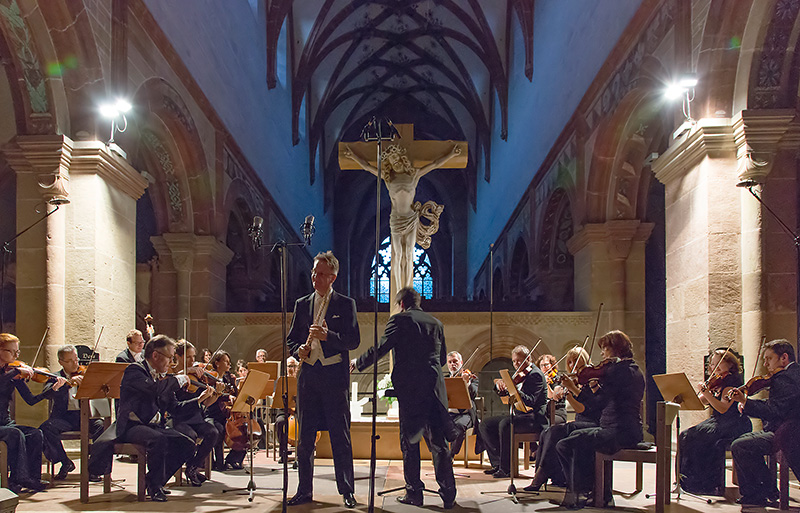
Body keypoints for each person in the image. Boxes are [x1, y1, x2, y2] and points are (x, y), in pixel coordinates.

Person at [352, 287, 457, 508]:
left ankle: (414, 493)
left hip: (411, 391)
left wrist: (358, 363)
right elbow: (443, 359)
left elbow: (381, 348)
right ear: (419, 302)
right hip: (434, 390)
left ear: (400, 304)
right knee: (439, 443)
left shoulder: (399, 321)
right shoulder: (436, 324)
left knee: (410, 442)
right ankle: (449, 494)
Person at [286, 251, 360, 509]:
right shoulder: (301, 304)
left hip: (333, 377)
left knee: (341, 437)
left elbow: (353, 340)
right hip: (309, 376)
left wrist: (329, 337)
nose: (315, 278)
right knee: (304, 438)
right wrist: (298, 351)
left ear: (333, 277)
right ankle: (304, 490)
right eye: (314, 273)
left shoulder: (345, 303)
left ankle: (347, 490)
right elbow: (291, 339)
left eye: (321, 274)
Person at [342, 143, 460, 299]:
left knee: (408, 255)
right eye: (392, 161)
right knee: (397, 255)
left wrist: (452, 154)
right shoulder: (388, 178)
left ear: (402, 159)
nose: (395, 163)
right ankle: (399, 291)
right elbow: (366, 166)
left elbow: (434, 164)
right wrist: (353, 157)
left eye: (397, 159)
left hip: (411, 218)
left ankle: (408, 289)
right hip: (396, 220)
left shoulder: (414, 176)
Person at [91, 334, 196, 502]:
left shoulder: (162, 377)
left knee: (187, 444)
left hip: (152, 427)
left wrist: (200, 401)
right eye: (169, 357)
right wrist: (178, 380)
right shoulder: (135, 370)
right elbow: (153, 390)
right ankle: (155, 487)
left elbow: (175, 408)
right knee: (158, 439)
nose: (172, 363)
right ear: (155, 355)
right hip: (131, 426)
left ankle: (155, 481)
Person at [555, 330, 645, 509]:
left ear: (616, 349)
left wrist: (575, 388)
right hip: (624, 429)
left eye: (605, 349)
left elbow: (597, 405)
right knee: (574, 441)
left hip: (619, 432)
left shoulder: (618, 373)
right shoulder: (632, 369)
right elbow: (610, 399)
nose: (602, 354)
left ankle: (585, 493)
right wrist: (596, 387)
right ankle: (596, 493)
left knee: (566, 445)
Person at [729, 339, 800, 507]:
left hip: (786, 433)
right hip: (787, 429)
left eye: (769, 358)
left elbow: (775, 410)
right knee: (745, 440)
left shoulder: (785, 378)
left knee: (740, 445)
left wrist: (746, 402)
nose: (766, 364)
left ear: (784, 358)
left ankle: (758, 493)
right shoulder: (794, 374)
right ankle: (767, 489)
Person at [525, 346, 601, 491]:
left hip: (592, 422)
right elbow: (575, 405)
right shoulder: (576, 381)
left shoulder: (591, 381)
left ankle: (540, 478)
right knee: (545, 433)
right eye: (570, 362)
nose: (573, 365)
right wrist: (567, 393)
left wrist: (571, 389)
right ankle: (545, 475)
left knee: (554, 431)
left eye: (576, 361)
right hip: (581, 420)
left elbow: (583, 409)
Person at [678, 347, 751, 495]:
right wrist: (686, 396)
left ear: (729, 364)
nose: (713, 368)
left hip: (734, 422)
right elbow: (700, 403)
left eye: (717, 364)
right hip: (719, 421)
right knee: (685, 435)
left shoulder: (732, 381)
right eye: (711, 365)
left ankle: (705, 483)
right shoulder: (717, 383)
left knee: (699, 437)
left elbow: (723, 408)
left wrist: (706, 393)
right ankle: (688, 480)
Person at [0, 333, 67, 493]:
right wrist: (14, 372)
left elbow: (30, 400)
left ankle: (32, 478)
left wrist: (51, 390)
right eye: (12, 352)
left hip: (5, 423)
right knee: (15, 434)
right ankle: (19, 478)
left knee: (35, 433)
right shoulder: (12, 373)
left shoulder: (14, 374)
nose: (16, 356)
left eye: (18, 352)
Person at [479, 345, 548, 479]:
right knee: (486, 424)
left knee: (505, 424)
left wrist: (513, 389)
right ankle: (498, 463)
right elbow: (507, 396)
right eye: (514, 361)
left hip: (534, 419)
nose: (516, 364)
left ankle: (506, 469)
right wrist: (500, 386)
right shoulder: (519, 375)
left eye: (519, 360)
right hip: (520, 416)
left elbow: (531, 401)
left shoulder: (536, 375)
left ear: (529, 359)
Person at [39, 345, 104, 481]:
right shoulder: (55, 377)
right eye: (70, 361)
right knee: (45, 428)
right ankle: (65, 462)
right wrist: (67, 384)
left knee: (102, 426)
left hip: (85, 415)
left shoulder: (85, 374)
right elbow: (47, 393)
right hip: (65, 418)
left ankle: (93, 469)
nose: (76, 363)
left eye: (76, 359)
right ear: (61, 362)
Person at [166, 340, 220, 486]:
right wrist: (186, 371)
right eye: (189, 357)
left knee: (213, 432)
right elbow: (171, 383)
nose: (193, 361)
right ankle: (184, 469)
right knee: (190, 435)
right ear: (178, 356)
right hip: (178, 418)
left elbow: (202, 404)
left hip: (194, 417)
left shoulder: (195, 376)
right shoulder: (171, 372)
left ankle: (192, 466)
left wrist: (211, 398)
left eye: (193, 357)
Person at [203, 350, 240, 470]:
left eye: (229, 362)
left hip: (227, 414)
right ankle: (217, 462)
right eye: (225, 361)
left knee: (245, 428)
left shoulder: (228, 378)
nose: (229, 364)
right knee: (219, 429)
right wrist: (226, 396)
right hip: (212, 414)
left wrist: (234, 385)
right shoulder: (210, 378)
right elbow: (214, 394)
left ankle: (232, 459)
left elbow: (235, 394)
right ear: (217, 363)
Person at [445, 351, 479, 457]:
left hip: (465, 414)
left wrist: (466, 382)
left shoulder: (471, 377)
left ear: (461, 362)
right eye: (450, 362)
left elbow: (473, 394)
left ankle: (451, 455)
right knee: (431, 424)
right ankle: (441, 453)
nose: (452, 364)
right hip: (448, 414)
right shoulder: (444, 379)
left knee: (459, 426)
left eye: (455, 361)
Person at [274, 356, 299, 464]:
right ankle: (283, 452)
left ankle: (302, 453)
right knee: (280, 422)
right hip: (284, 411)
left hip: (299, 411)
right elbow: (276, 396)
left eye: (294, 366)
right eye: (289, 366)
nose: (292, 368)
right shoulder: (281, 381)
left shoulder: (301, 380)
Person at [538, 354, 567, 425]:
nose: (544, 367)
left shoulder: (558, 380)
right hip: (545, 413)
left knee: (545, 423)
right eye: (541, 366)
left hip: (557, 413)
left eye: (546, 365)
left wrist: (546, 384)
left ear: (552, 365)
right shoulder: (540, 381)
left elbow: (553, 397)